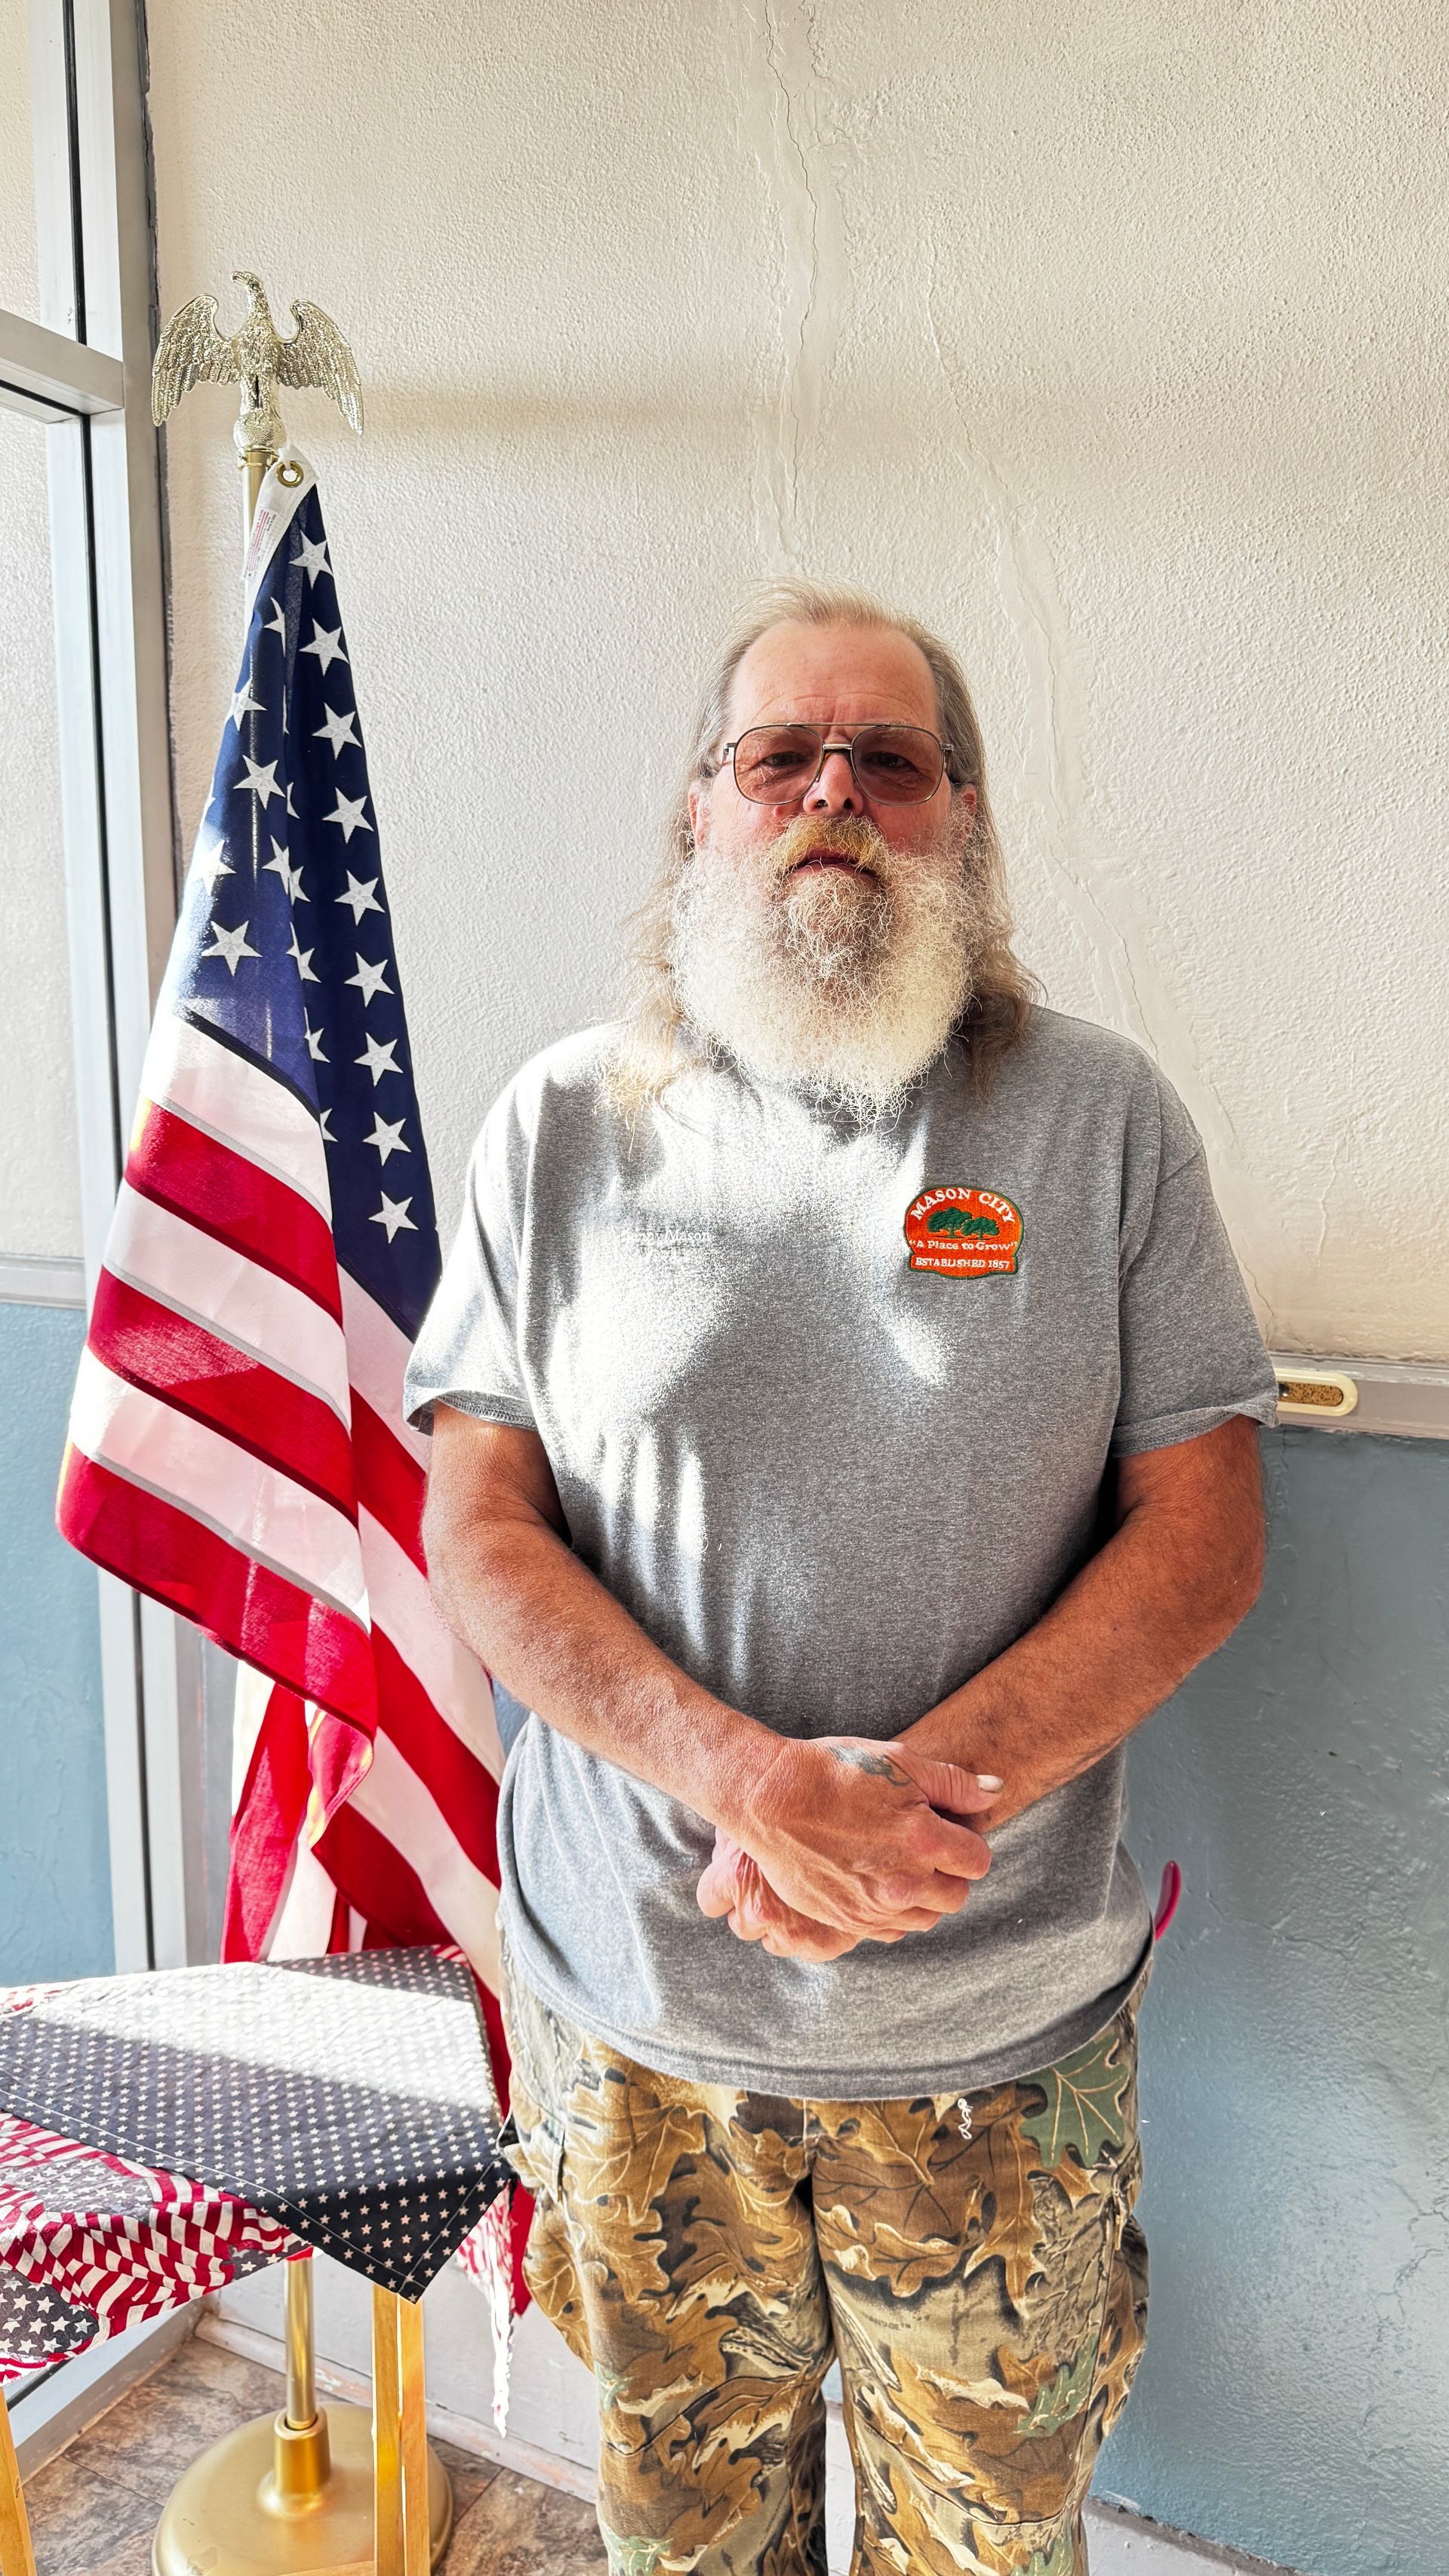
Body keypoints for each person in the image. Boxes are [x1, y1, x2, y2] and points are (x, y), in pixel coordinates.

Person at [405, 579, 1278, 2576]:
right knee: (688, 2551)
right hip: (638, 2035)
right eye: (779, 756)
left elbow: (1206, 1533)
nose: (833, 798)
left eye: (891, 760)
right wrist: (753, 1785)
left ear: (963, 820)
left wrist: (903, 1809)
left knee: (987, 2557)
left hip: (995, 2063)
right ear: (699, 809)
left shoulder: (1103, 1121)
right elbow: (480, 1529)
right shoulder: (558, 1127)